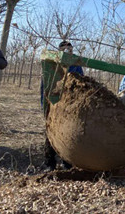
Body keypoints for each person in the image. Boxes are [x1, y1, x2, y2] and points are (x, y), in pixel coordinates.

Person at [42, 41, 84, 170]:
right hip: (54, 103)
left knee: (67, 133)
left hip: (69, 105)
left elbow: (82, 83)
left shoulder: (76, 65)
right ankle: (49, 163)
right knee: (50, 133)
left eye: (69, 49)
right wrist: (45, 106)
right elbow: (45, 87)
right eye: (64, 49)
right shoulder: (53, 65)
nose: (67, 51)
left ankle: (68, 163)